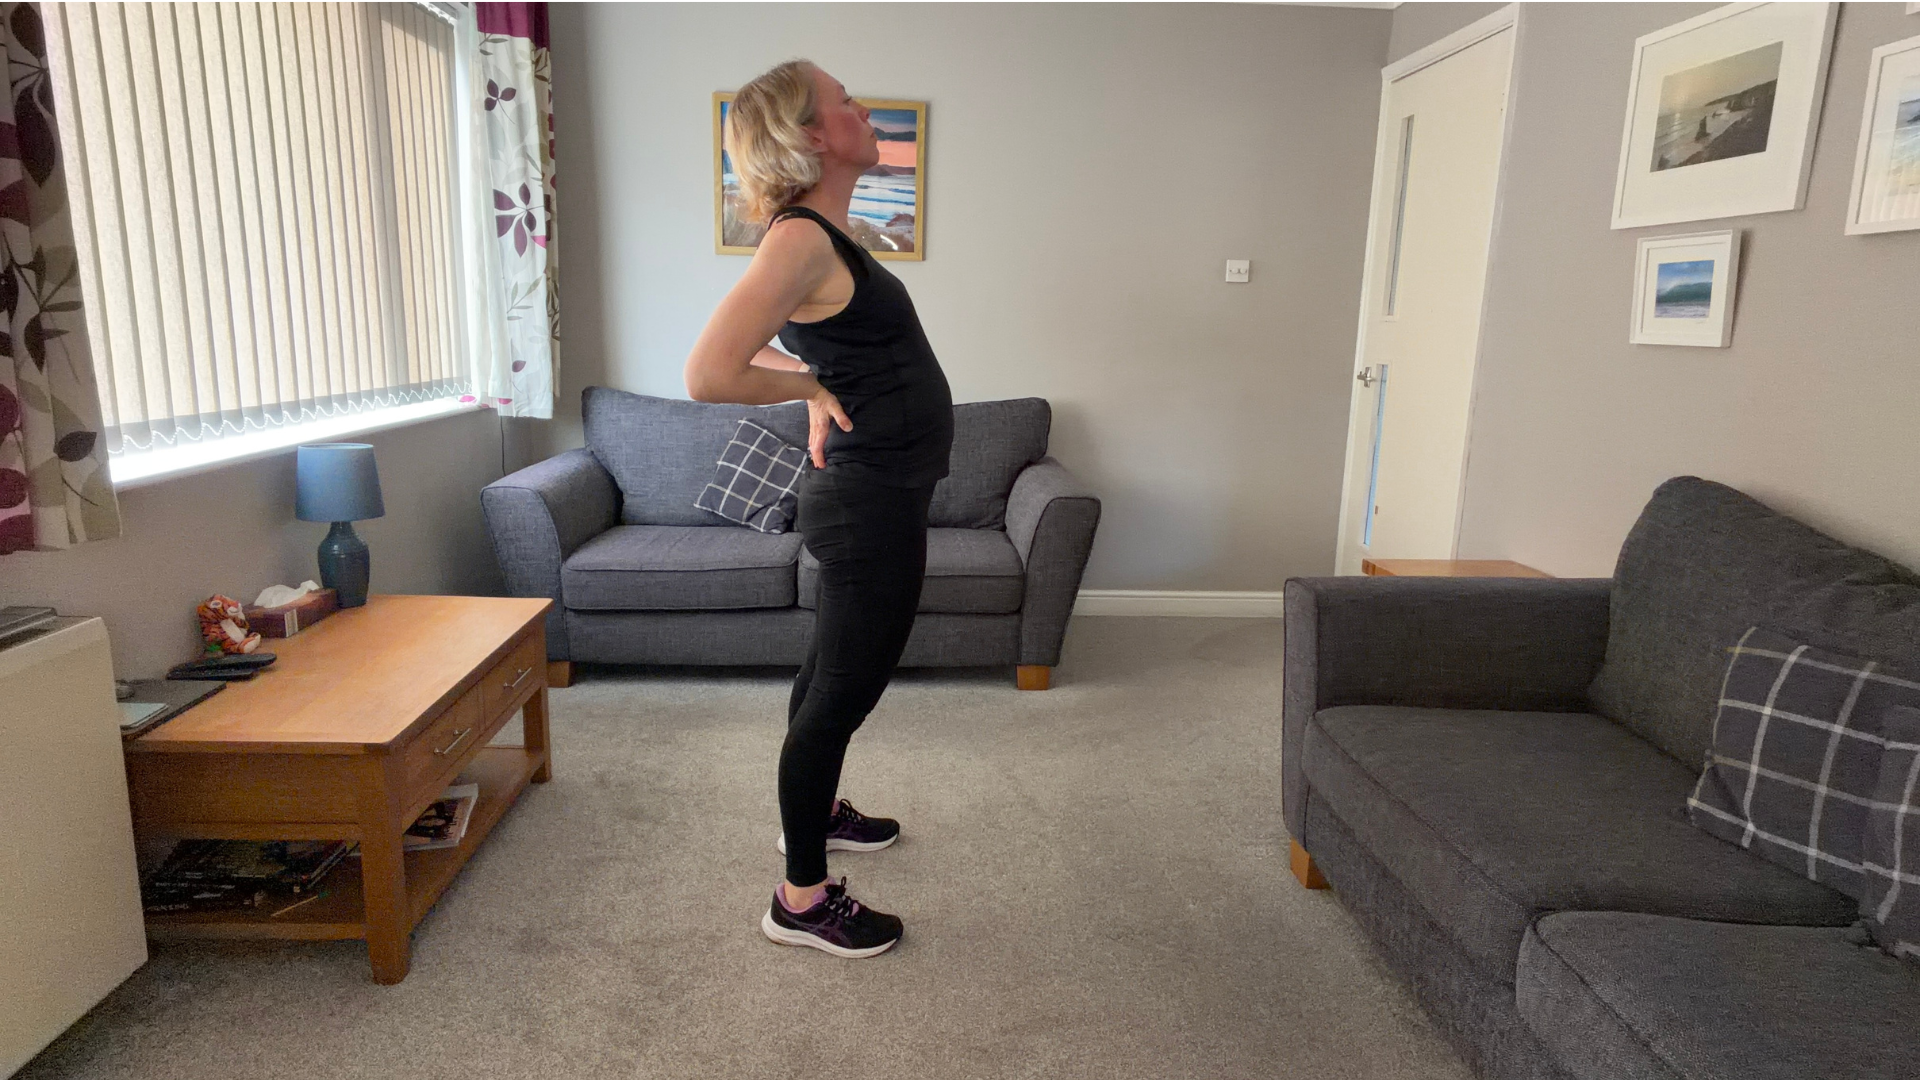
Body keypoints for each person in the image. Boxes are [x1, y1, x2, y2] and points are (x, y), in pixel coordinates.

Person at [684, 60, 953, 958]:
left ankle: (819, 812)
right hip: (867, 498)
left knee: (828, 673)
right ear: (808, 135)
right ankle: (800, 899)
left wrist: (809, 386)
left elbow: (828, 350)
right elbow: (709, 372)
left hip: (879, 490)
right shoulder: (799, 238)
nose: (862, 108)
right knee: (845, 688)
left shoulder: (823, 236)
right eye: (844, 101)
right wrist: (806, 383)